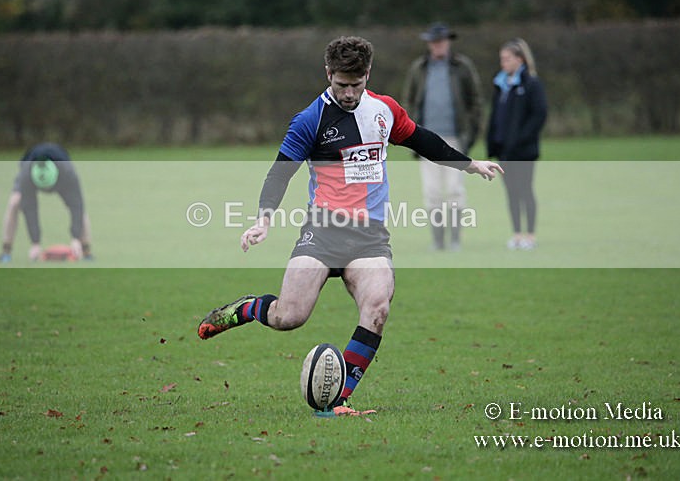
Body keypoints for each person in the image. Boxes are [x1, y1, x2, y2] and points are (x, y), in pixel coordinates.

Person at [197, 36, 502, 416]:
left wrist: (470, 164)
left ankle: (339, 398)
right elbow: (280, 173)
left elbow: (423, 141)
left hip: (369, 238)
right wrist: (263, 219)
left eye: (356, 85)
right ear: (328, 75)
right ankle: (243, 310)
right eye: (341, 85)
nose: (348, 93)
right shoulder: (310, 120)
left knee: (377, 308)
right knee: (288, 317)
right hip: (322, 233)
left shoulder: (384, 110)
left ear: (367, 75)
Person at [403, 23, 483, 251]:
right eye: (434, 41)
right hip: (426, 140)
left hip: (455, 138)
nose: (438, 45)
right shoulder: (419, 68)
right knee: (432, 192)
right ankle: (438, 242)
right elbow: (408, 101)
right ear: (429, 44)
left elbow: (475, 102)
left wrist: (470, 135)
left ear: (448, 42)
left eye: (441, 41)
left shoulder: (462, 67)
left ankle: (455, 240)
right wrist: (412, 136)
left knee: (454, 190)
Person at [486, 38, 547, 250]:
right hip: (504, 151)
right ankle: (517, 234)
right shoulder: (501, 84)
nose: (503, 62)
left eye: (507, 58)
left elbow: (539, 115)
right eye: (501, 59)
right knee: (511, 192)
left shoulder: (531, 83)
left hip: (523, 151)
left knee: (525, 190)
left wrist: (521, 139)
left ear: (519, 59)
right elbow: (496, 117)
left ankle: (530, 235)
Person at [0, 142, 93, 262]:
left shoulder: (68, 173)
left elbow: (77, 206)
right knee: (14, 202)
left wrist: (75, 238)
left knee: (79, 209)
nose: (46, 191)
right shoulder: (26, 175)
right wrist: (35, 243)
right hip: (30, 174)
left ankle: (85, 251)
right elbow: (30, 208)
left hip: (61, 175)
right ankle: (6, 252)